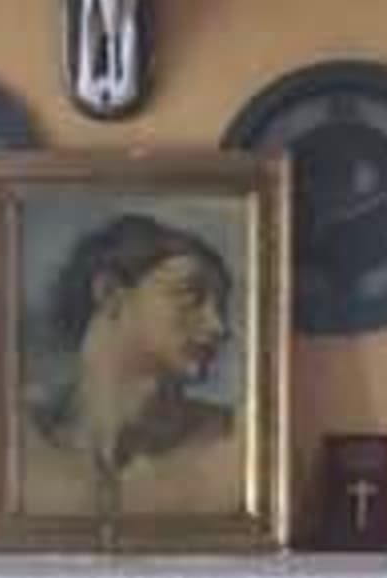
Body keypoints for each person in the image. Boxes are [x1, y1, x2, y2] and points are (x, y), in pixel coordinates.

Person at [23, 213, 249, 524]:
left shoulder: (235, 443)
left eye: (219, 305)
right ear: (110, 293)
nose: (218, 327)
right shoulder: (23, 442)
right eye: (191, 295)